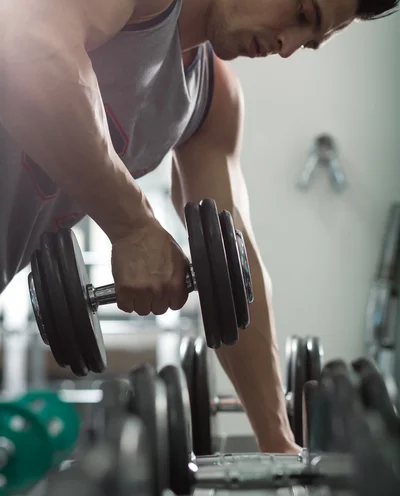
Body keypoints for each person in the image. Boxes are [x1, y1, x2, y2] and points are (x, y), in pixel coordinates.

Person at [0, 0, 397, 453]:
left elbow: (233, 268)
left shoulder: (211, 100)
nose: (288, 46)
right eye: (303, 13)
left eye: (309, 41)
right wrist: (133, 226)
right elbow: (24, 50)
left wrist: (276, 440)